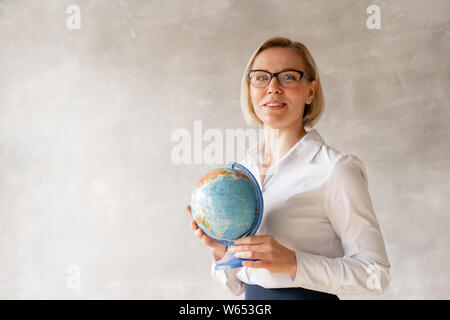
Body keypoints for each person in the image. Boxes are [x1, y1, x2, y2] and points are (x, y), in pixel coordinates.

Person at [186, 37, 391, 300]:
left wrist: (294, 262)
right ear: (250, 89)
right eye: (261, 77)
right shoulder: (242, 173)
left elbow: (376, 276)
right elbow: (237, 286)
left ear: (310, 91)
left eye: (289, 77)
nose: (273, 87)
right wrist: (221, 252)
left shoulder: (335, 170)